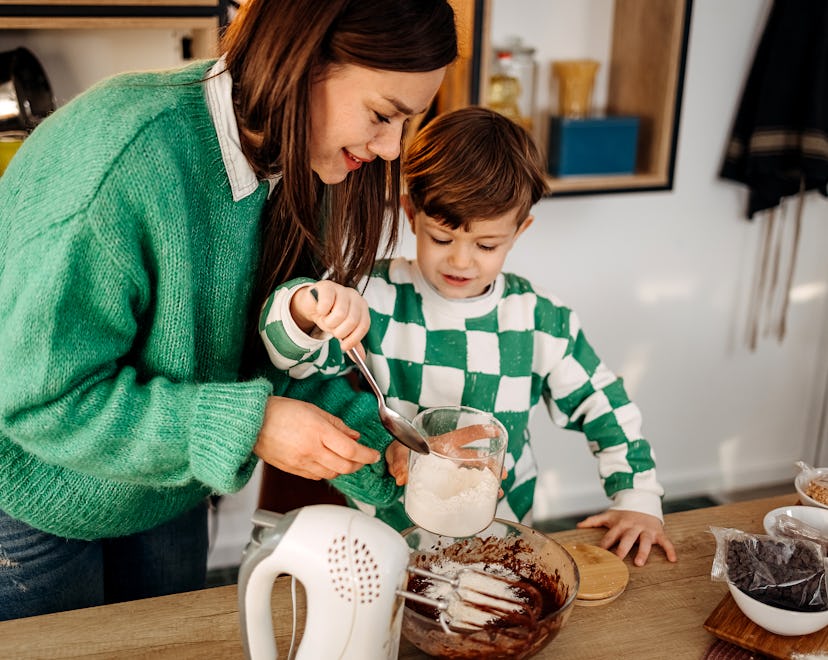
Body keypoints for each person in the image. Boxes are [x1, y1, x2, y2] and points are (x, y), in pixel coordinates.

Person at [0, 0, 458, 621]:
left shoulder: (308, 164)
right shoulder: (123, 159)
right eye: (382, 115)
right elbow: (41, 399)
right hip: (35, 504)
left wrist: (383, 446)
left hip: (166, 489)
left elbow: (272, 362)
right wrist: (253, 425)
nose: (389, 148)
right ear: (300, 61)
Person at [259, 106, 678, 566]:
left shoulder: (540, 319)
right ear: (411, 214)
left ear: (520, 232)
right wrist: (304, 309)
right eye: (441, 238)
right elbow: (295, 365)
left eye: (486, 245)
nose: (461, 261)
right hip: (386, 537)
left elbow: (606, 407)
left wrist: (637, 498)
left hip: (501, 537)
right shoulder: (371, 294)